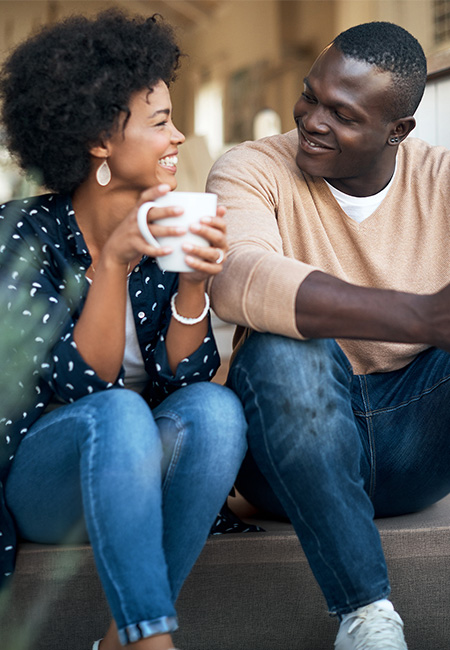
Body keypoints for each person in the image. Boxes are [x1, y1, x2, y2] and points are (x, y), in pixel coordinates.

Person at [0, 10, 247, 650]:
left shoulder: (168, 225)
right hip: (45, 478)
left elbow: (186, 379)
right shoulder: (21, 235)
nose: (181, 136)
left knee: (217, 410)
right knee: (116, 414)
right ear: (99, 141)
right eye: (161, 121)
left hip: (139, 473)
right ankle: (152, 643)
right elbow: (83, 389)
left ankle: (121, 637)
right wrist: (112, 263)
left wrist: (193, 280)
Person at [207, 21, 450, 650]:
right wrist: (419, 317)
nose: (312, 120)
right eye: (311, 96)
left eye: (342, 114)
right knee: (283, 344)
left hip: (414, 447)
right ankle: (368, 616)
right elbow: (238, 277)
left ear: (398, 131)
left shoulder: (440, 180)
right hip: (286, 455)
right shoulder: (250, 167)